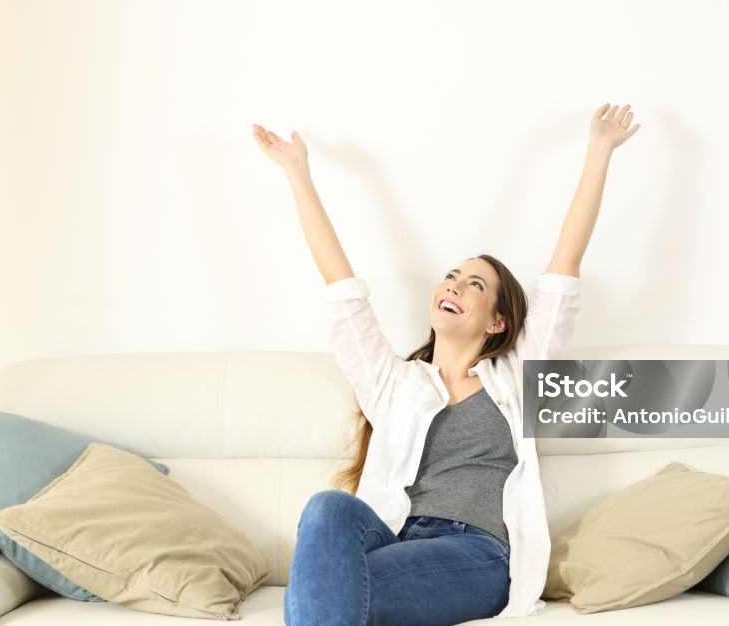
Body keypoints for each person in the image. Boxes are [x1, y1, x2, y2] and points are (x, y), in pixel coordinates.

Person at [252, 104, 640, 625]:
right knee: (328, 509)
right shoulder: (394, 384)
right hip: (390, 538)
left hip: (475, 555)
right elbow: (342, 289)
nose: (453, 285)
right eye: (452, 276)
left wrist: (599, 153)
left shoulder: (519, 379)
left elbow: (563, 272)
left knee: (335, 591)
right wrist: (297, 172)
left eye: (474, 284)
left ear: (498, 322)